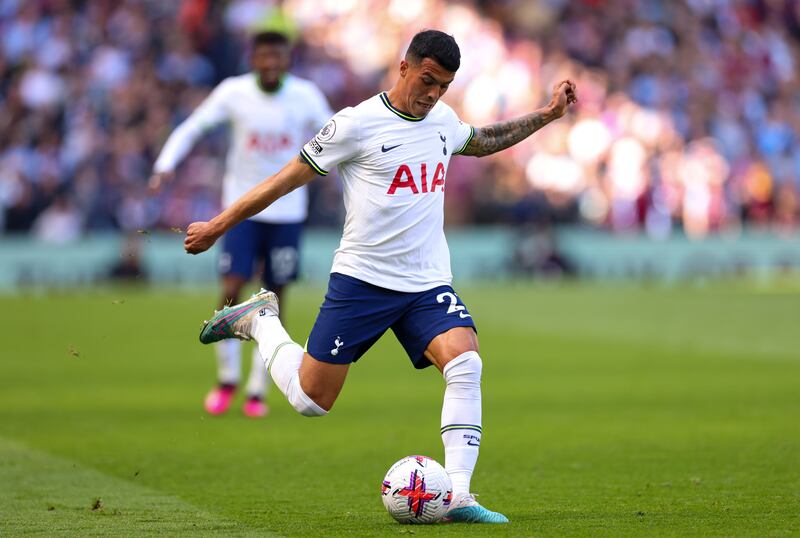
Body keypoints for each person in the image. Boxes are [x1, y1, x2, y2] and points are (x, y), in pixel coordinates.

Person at [184, 30, 576, 522]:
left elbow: (482, 140)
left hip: (426, 282)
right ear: (404, 67)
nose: (432, 94)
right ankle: (261, 319)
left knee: (466, 364)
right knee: (310, 401)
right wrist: (219, 225)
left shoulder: (442, 121)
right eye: (427, 80)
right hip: (362, 281)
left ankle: (458, 495)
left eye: (444, 86)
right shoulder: (356, 124)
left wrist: (546, 114)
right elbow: (285, 179)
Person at [150, 31, 333, 418]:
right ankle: (226, 379)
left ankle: (257, 389)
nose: (271, 63)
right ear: (253, 58)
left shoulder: (306, 96)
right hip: (242, 211)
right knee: (232, 288)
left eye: (278, 56)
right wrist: (166, 163)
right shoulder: (233, 92)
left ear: (287, 59)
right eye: (264, 56)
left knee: (276, 296)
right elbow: (194, 126)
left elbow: (339, 139)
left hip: (288, 213)